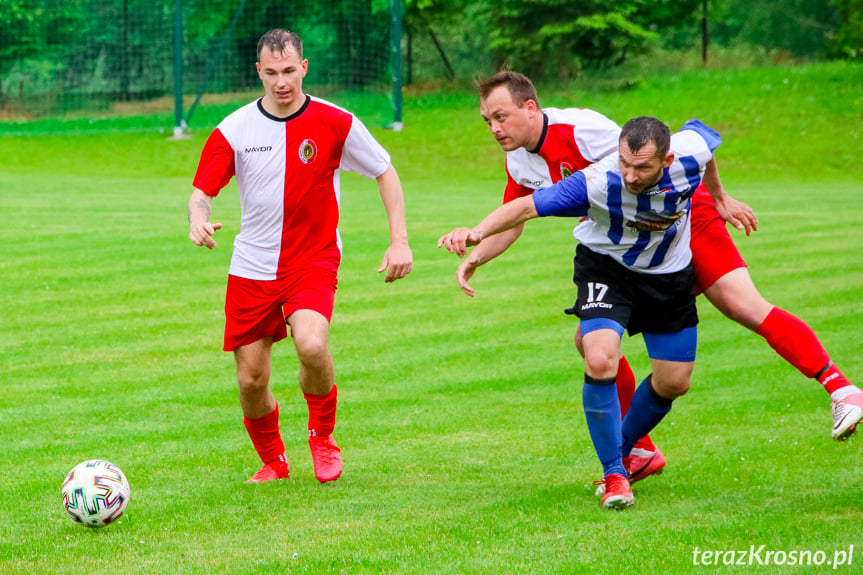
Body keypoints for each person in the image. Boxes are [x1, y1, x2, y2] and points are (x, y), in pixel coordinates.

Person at [453, 71, 862, 483]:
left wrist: (718, 199)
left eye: (500, 116)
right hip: (632, 242)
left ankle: (840, 388)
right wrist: (477, 256)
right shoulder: (519, 161)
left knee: (742, 305)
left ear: (529, 107)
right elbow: (516, 216)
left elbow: (659, 159)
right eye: (487, 120)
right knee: (590, 343)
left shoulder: (584, 130)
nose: (494, 128)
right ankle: (639, 451)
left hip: (683, 219)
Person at [440, 116, 727, 509]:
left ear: (667, 159)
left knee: (675, 382)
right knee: (598, 356)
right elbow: (524, 207)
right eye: (625, 162)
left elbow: (708, 147)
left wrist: (721, 199)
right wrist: (476, 233)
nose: (630, 174)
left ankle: (625, 449)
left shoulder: (688, 156)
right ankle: (614, 476)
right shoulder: (597, 180)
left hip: (668, 277)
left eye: (642, 167)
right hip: (606, 268)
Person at [188, 29, 412, 484]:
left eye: (289, 71)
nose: (281, 81)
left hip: (313, 259)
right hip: (251, 266)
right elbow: (201, 191)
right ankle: (274, 461)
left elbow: (385, 172)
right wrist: (198, 218)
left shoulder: (336, 121)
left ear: (304, 67)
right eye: (271, 73)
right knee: (251, 380)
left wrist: (399, 240)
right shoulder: (234, 128)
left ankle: (322, 436)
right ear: (259, 72)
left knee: (311, 343)